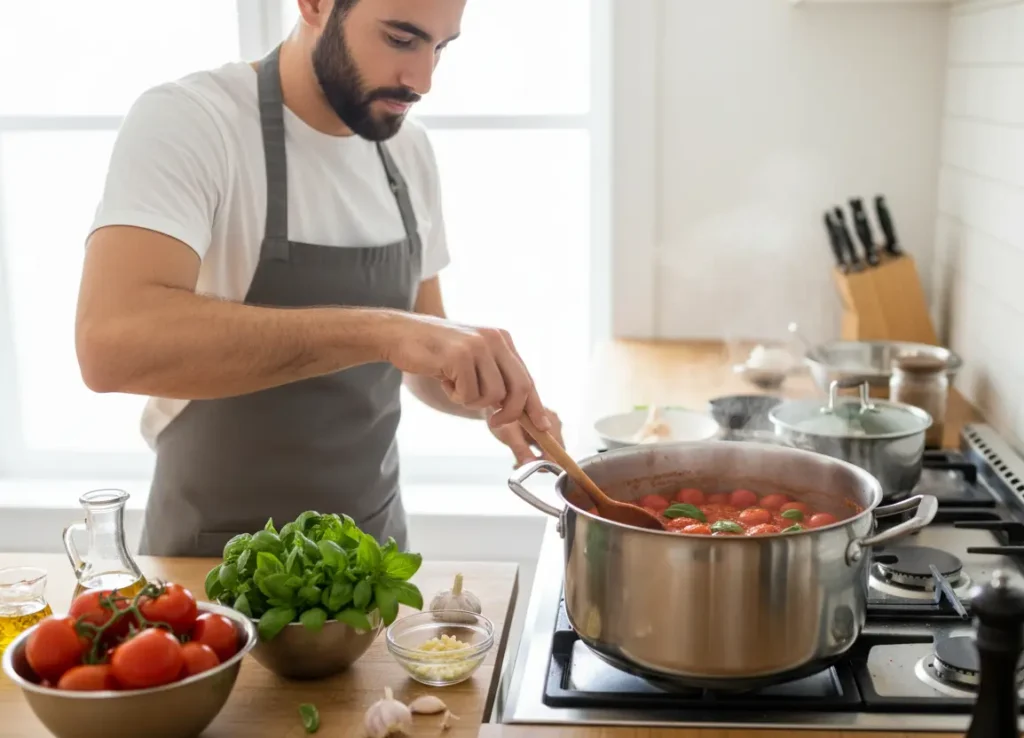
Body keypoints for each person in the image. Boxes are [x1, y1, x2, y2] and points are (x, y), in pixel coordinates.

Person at [74, 0, 563, 558]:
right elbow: (109, 345)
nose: (423, 79)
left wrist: (487, 391)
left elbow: (423, 363)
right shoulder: (192, 121)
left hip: (371, 557)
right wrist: (383, 331)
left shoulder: (408, 150)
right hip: (212, 569)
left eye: (441, 47)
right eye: (401, 39)